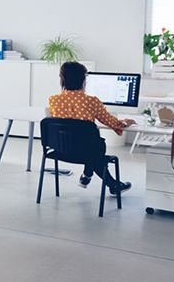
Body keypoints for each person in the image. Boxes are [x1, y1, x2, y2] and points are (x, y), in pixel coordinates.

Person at [48, 61, 134, 195]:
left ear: (62, 80)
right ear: (84, 80)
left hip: (61, 149)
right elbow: (111, 122)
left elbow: (61, 123)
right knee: (96, 149)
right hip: (87, 151)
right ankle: (103, 181)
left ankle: (91, 177)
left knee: (91, 147)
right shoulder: (91, 101)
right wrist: (125, 122)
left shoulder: (54, 100)